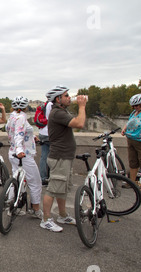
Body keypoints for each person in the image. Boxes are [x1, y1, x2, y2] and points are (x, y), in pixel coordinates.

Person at [41, 86, 87, 232]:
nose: (69, 97)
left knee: (62, 189)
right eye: (66, 95)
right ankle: (46, 219)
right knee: (53, 189)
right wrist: (82, 106)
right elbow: (79, 123)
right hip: (59, 157)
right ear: (58, 99)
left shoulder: (61, 111)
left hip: (65, 157)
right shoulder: (57, 113)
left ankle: (62, 215)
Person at [5, 96, 43, 219]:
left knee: (16, 180)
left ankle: (10, 206)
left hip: (12, 153)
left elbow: (13, 132)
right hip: (23, 155)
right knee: (35, 182)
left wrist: (33, 137)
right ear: (25, 107)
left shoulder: (12, 117)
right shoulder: (21, 117)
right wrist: (20, 150)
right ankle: (36, 210)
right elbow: (19, 134)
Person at [38, 97, 53, 185]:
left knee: (44, 156)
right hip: (49, 133)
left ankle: (43, 177)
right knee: (53, 157)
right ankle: (50, 177)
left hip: (42, 133)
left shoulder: (45, 104)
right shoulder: (51, 105)